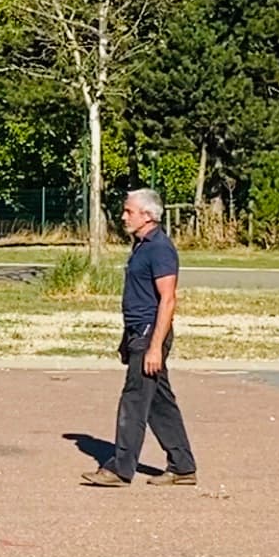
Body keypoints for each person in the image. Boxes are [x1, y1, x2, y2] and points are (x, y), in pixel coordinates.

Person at [81, 188, 197, 487]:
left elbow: (168, 300)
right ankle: (183, 466)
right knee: (159, 402)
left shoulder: (160, 248)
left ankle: (119, 469)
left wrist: (154, 346)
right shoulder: (141, 246)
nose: (123, 216)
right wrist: (126, 338)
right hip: (138, 333)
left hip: (150, 334)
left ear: (147, 215)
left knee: (134, 399)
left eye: (128, 211)